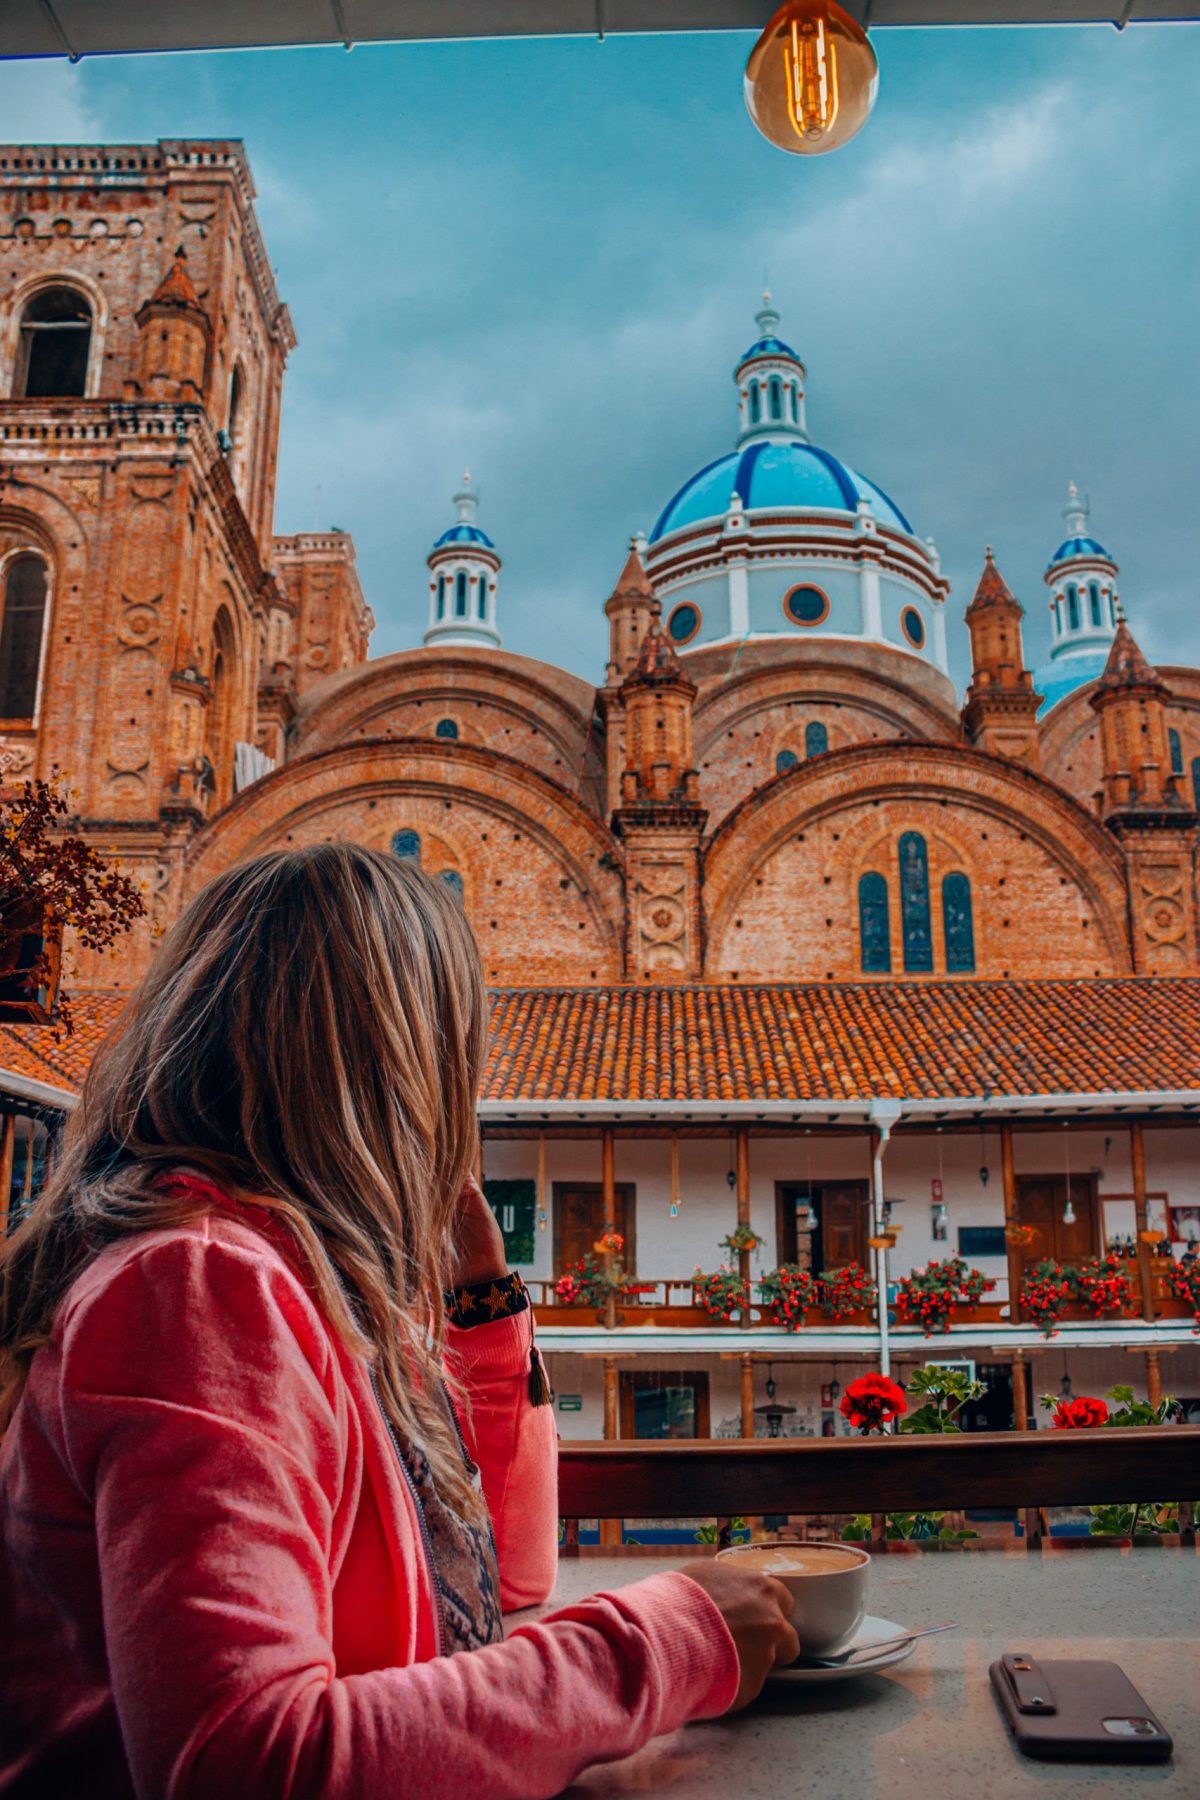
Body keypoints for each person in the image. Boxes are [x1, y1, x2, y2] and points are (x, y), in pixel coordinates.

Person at [0, 845, 797, 1798]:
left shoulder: (295, 1282)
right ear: (401, 1064)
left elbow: (502, 1587)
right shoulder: (200, 1287)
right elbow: (250, 1763)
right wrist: (665, 1644)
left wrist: (484, 1312)